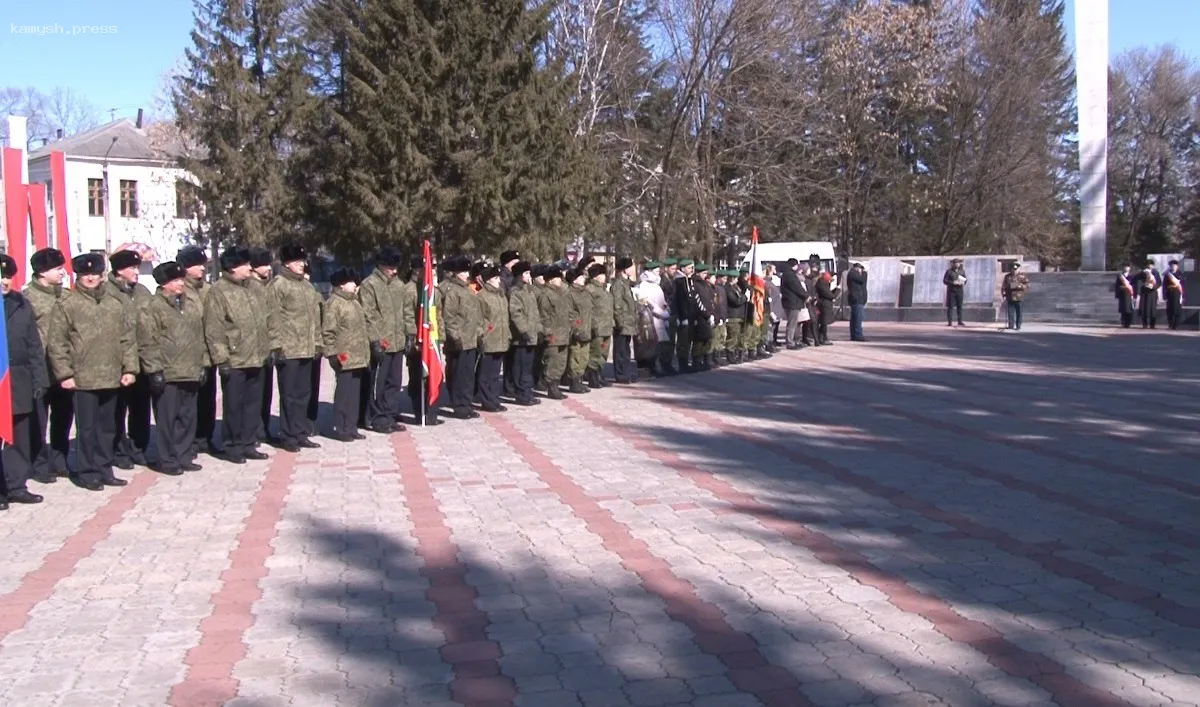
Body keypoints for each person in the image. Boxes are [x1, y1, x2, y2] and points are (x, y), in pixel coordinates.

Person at [46, 253, 138, 491]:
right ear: (78, 276)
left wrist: (130, 368)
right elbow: (57, 342)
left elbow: (127, 338)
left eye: (94, 274)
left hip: (111, 375)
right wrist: (65, 374)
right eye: (85, 274)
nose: (90, 278)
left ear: (102, 275)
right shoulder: (68, 304)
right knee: (87, 429)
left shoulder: (114, 303)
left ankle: (105, 468)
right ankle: (87, 473)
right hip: (82, 378)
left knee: (108, 428)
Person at [204, 246, 272, 464]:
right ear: (232, 268)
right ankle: (233, 445)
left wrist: (268, 348)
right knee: (234, 405)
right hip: (234, 359)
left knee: (253, 403)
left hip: (256, 356)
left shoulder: (254, 287)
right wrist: (221, 359)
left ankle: (248, 442)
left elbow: (265, 319)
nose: (249, 268)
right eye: (244, 265)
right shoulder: (219, 291)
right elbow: (214, 328)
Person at [138, 261, 205, 475]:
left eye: (181, 280)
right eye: (175, 281)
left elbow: (199, 336)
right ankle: (167, 459)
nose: (180, 284)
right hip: (168, 373)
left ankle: (184, 455)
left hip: (190, 370)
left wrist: (202, 364)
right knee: (167, 419)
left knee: (188, 417)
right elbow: (148, 342)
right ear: (164, 284)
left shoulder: (190, 304)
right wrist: (154, 370)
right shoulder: (152, 308)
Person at [1, 254, 48, 507]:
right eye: (1, 276)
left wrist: (39, 379)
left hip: (19, 378)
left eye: (8, 276)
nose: (4, 281)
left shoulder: (21, 303)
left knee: (18, 436)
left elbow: (33, 345)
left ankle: (16, 485)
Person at [269, 245, 323, 452]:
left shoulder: (307, 287)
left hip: (307, 348)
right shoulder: (278, 285)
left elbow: (315, 318)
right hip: (289, 349)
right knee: (290, 395)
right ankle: (289, 434)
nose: (302, 264)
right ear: (287, 263)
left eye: (303, 261)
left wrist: (318, 342)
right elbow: (272, 317)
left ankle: (301, 432)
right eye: (298, 261)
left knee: (304, 393)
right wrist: (276, 345)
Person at [24, 248, 72, 483]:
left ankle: (60, 459)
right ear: (42, 272)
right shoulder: (27, 299)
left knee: (63, 417)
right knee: (38, 420)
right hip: (40, 367)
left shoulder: (66, 296)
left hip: (64, 368)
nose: (63, 272)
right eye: (57, 268)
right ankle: (38, 463)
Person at [106, 249, 153, 470]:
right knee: (117, 410)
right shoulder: (106, 293)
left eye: (137, 267)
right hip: (118, 361)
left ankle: (138, 447)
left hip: (142, 360)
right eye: (132, 268)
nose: (137, 272)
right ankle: (117, 449)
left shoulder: (143, 292)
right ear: (118, 271)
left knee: (141, 407)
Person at [359, 246, 410, 434]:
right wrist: (374, 340)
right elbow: (367, 315)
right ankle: (376, 417)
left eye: (396, 267)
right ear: (381, 266)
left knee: (394, 382)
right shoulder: (370, 284)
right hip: (381, 342)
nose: (394, 271)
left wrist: (409, 334)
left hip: (397, 341)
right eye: (390, 268)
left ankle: (389, 414)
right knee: (377, 384)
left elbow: (406, 312)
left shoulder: (399, 285)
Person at [178, 245, 220, 456]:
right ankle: (190, 441)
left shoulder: (208, 290)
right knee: (188, 403)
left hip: (209, 354)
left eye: (203, 264)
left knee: (208, 399)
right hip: (189, 356)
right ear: (185, 268)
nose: (202, 269)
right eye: (197, 265)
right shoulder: (180, 290)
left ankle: (205, 437)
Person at [322, 268, 370, 441]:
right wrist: (332, 354)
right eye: (351, 282)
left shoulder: (355, 302)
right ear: (342, 285)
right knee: (344, 394)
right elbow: (328, 331)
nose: (355, 285)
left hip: (359, 357)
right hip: (345, 357)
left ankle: (351, 426)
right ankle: (341, 428)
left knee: (354, 394)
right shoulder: (334, 303)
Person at [439, 255, 484, 419]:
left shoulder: (468, 290)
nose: (466, 274)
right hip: (459, 341)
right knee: (458, 376)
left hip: (471, 339)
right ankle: (459, 406)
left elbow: (477, 314)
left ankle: (467, 403)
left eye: (467, 271)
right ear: (456, 273)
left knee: (468, 375)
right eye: (463, 271)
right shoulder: (452, 291)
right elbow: (449, 317)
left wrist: (479, 333)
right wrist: (455, 337)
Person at [405, 255, 443, 426]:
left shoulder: (430, 290)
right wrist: (414, 337)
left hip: (431, 341)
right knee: (417, 379)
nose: (432, 271)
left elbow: (437, 314)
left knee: (433, 376)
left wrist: (438, 336)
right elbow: (407, 316)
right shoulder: (410, 290)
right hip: (417, 343)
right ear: (417, 270)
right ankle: (420, 412)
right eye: (428, 268)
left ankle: (431, 413)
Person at [248, 247, 278, 445]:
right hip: (252, 350)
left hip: (267, 348)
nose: (268, 268)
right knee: (253, 396)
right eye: (264, 265)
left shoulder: (267, 286)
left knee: (266, 393)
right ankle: (253, 431)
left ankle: (263, 428)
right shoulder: (250, 288)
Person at [507, 261, 542, 404]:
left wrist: (539, 330)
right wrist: (524, 331)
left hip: (532, 336)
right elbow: (516, 314)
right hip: (521, 338)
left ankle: (527, 392)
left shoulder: (529, 291)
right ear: (520, 276)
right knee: (520, 367)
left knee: (528, 368)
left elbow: (535, 313)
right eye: (526, 273)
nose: (529, 276)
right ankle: (521, 394)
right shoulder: (515, 292)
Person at [537, 266, 571, 399]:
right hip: (553, 334)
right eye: (557, 278)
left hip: (563, 333)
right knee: (552, 361)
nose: (560, 280)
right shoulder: (545, 294)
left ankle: (556, 383)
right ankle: (551, 386)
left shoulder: (561, 293)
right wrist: (548, 332)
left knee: (561, 361)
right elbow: (544, 316)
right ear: (550, 280)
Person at [633, 265, 669, 377]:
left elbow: (662, 302)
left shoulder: (656, 285)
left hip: (660, 319)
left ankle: (653, 366)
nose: (658, 273)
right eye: (656, 270)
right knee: (647, 344)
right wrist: (661, 313)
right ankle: (646, 368)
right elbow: (646, 303)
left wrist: (666, 310)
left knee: (656, 345)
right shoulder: (643, 286)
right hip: (649, 319)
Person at [586, 263, 614, 388]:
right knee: (595, 352)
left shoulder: (604, 291)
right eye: (602, 274)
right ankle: (592, 376)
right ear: (596, 276)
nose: (604, 277)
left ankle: (599, 374)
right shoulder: (590, 290)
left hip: (607, 327)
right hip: (597, 328)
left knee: (603, 353)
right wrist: (593, 325)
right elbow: (589, 310)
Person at [780, 259, 808, 348]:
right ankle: (790, 342)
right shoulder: (790, 275)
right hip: (792, 302)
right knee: (792, 323)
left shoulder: (787, 274)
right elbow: (797, 288)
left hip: (792, 301)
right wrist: (806, 296)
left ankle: (794, 340)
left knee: (794, 323)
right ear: (794, 265)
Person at [1000, 262, 1029, 332]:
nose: (1014, 270)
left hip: (1018, 296)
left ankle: (1018, 325)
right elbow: (1004, 286)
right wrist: (1003, 293)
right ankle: (1011, 325)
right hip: (1010, 296)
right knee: (1010, 312)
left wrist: (1019, 286)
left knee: (1019, 312)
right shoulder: (1007, 276)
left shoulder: (1022, 276)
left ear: (1017, 269)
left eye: (1015, 269)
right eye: (1013, 269)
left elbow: (1027, 285)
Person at [1133, 260, 1161, 329]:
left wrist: (1154, 286)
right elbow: (1136, 280)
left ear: (1153, 266)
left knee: (1153, 309)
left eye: (1151, 264)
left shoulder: (1156, 273)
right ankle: (1144, 324)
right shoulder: (1143, 273)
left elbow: (1159, 282)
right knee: (1144, 309)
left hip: (1152, 293)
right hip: (1144, 293)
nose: (1150, 266)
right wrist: (1143, 285)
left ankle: (1152, 324)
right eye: (1148, 265)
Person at [846, 262, 869, 342]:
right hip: (857, 299)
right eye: (860, 269)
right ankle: (858, 334)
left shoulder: (853, 274)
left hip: (857, 299)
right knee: (858, 318)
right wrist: (865, 273)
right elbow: (862, 280)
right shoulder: (853, 273)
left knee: (855, 317)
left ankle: (854, 334)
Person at [815, 271, 837, 345]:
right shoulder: (822, 284)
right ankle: (823, 338)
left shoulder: (824, 283)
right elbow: (830, 295)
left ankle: (823, 337)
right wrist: (838, 290)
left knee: (824, 323)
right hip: (824, 305)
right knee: (824, 322)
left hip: (825, 304)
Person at [943, 258, 966, 327]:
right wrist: (953, 282)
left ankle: (960, 321)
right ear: (953, 264)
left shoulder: (962, 271)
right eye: (955, 263)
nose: (957, 264)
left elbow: (965, 280)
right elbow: (945, 281)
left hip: (959, 291)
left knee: (960, 307)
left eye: (958, 263)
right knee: (950, 307)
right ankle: (950, 322)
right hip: (951, 291)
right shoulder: (949, 271)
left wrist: (962, 282)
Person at [1163, 260, 1185, 330]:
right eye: (1172, 266)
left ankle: (1176, 325)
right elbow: (1164, 285)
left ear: (1177, 266)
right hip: (1169, 293)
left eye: (1175, 266)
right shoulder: (1167, 275)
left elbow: (1183, 285)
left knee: (1177, 309)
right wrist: (1164, 295)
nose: (1173, 267)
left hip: (1177, 293)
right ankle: (1170, 324)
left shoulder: (1180, 274)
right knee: (1169, 309)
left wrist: (1183, 296)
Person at [1115, 265, 1136, 329]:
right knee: (1123, 309)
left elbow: (1134, 285)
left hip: (1129, 295)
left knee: (1129, 309)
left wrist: (1134, 294)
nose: (1126, 268)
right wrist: (1121, 287)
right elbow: (1117, 286)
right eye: (1125, 267)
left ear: (1130, 268)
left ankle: (1128, 323)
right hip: (1123, 295)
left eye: (1128, 267)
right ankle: (1123, 322)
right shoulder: (1120, 276)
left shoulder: (1132, 276)